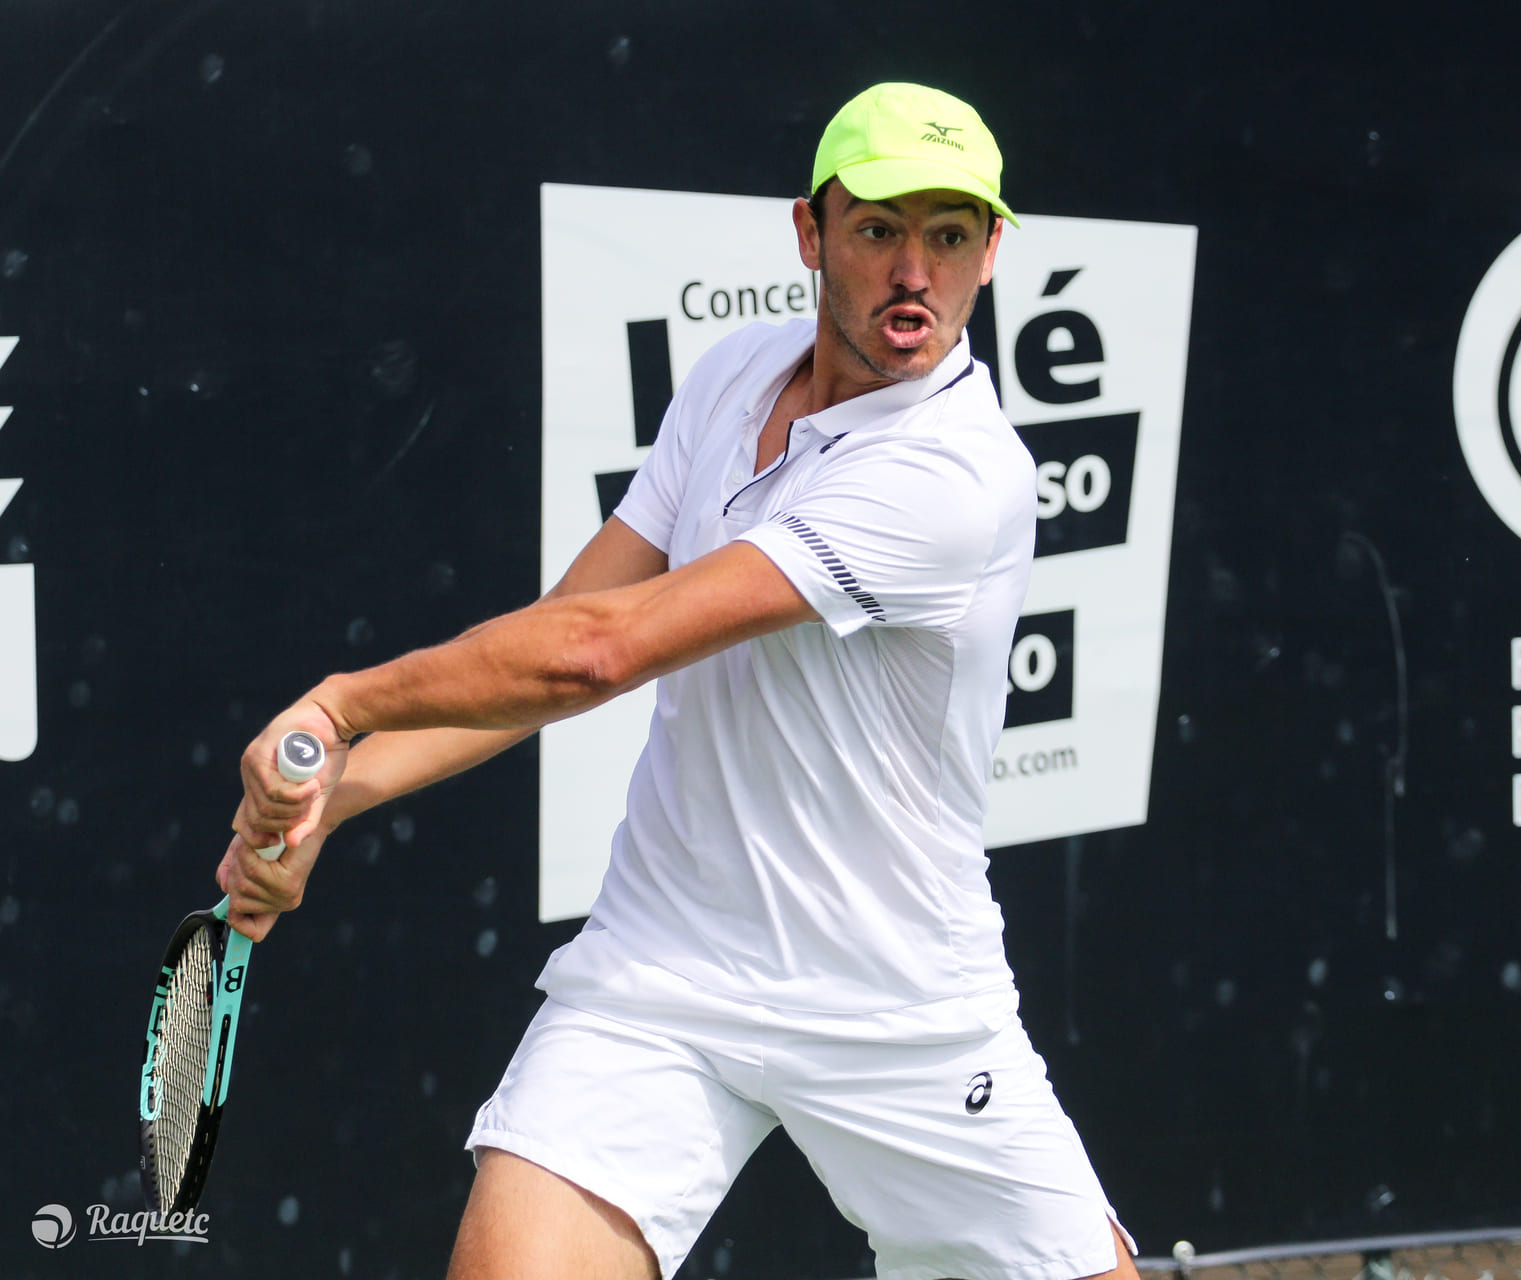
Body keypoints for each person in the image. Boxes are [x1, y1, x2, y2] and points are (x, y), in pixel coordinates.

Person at [218, 82, 1139, 1280]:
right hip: (665, 964)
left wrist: (342, 704)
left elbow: (601, 649)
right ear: (811, 233)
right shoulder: (732, 374)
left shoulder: (958, 475)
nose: (916, 273)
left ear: (992, 251)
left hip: (894, 1003)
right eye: (878, 230)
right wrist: (340, 793)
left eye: (952, 236)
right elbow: (554, 643)